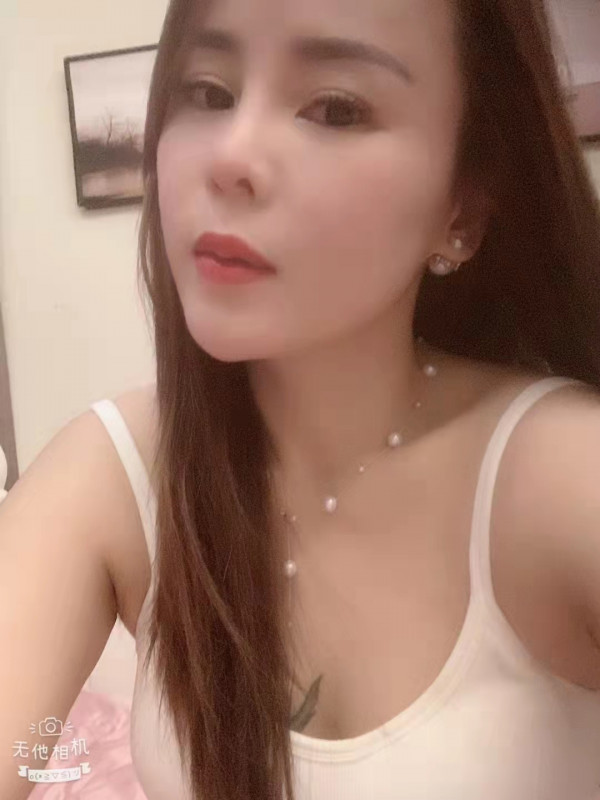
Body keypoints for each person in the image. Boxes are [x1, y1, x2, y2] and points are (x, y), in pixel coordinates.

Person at [3, 0, 600, 798]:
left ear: (463, 207)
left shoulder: (560, 472)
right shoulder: (117, 471)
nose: (231, 155)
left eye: (335, 108)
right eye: (208, 93)